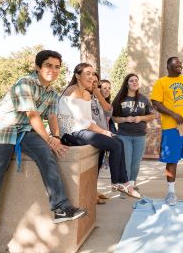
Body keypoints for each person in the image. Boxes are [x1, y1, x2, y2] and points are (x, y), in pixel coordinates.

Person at [0, 50, 87, 251]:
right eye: (48, 66)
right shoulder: (25, 83)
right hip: (1, 132)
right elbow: (32, 114)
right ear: (38, 67)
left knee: (47, 153)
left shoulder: (52, 94)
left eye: (56, 67)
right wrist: (50, 139)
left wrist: (54, 137)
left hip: (24, 131)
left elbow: (52, 118)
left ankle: (61, 207)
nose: (53, 70)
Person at [57, 63, 141, 199]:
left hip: (82, 129)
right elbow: (80, 121)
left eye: (92, 73)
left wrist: (103, 131)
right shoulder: (72, 91)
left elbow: (89, 120)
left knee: (118, 140)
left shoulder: (86, 94)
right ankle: (120, 182)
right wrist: (102, 132)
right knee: (113, 144)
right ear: (78, 76)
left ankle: (120, 182)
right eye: (87, 73)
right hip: (70, 133)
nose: (91, 77)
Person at [150, 57, 183, 208]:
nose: (180, 64)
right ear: (168, 66)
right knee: (171, 160)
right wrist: (172, 114)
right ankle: (171, 193)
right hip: (171, 126)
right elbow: (155, 103)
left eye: (181, 63)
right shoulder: (161, 82)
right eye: (176, 63)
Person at [112, 74, 155, 196]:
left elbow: (152, 115)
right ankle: (124, 186)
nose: (135, 82)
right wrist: (125, 119)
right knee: (126, 161)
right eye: (132, 81)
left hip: (140, 135)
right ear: (127, 84)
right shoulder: (120, 99)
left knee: (136, 162)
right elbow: (114, 118)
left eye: (136, 80)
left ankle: (132, 184)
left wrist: (141, 117)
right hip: (124, 135)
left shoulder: (143, 99)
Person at [90, 73, 113, 204]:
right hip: (94, 137)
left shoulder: (104, 103)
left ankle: (94, 190)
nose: (106, 90)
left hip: (103, 137)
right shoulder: (90, 100)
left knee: (97, 167)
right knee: (92, 167)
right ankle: (92, 192)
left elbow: (109, 112)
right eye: (103, 87)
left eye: (109, 88)